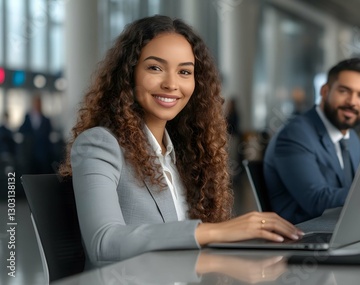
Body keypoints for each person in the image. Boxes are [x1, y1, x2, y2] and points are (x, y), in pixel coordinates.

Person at [58, 15, 302, 265]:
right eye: (155, 67)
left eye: (184, 71)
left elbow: (185, 241)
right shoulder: (99, 144)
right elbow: (104, 243)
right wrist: (218, 231)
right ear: (129, 74)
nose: (171, 84)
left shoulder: (185, 151)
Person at [264, 58, 360, 224]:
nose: (352, 102)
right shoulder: (294, 135)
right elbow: (316, 200)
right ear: (325, 91)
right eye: (344, 91)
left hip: (345, 229)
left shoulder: (352, 139)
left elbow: (358, 189)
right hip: (304, 237)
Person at [18, 94, 54, 174]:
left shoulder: (46, 119)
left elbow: (48, 135)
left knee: (42, 174)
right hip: (30, 153)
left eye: (39, 103)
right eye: (36, 103)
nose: (37, 105)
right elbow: (21, 130)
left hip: (42, 153)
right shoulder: (27, 117)